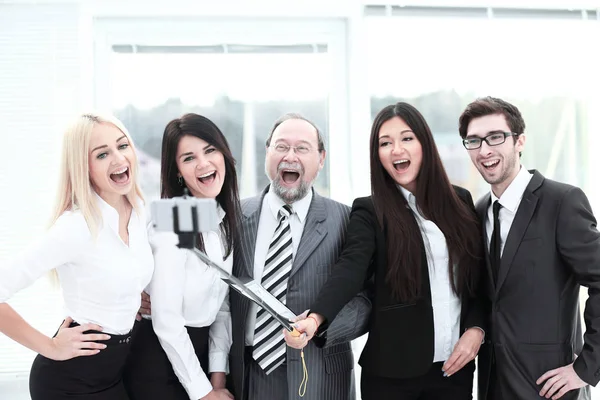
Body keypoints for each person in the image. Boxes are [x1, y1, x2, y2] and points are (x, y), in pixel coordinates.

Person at [289, 102, 486, 400]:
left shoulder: (460, 202)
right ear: (377, 155)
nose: (396, 150)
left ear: (425, 145)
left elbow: (478, 278)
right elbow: (350, 268)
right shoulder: (370, 211)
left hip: (453, 369)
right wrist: (316, 318)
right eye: (385, 143)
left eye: (407, 138)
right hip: (392, 376)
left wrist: (476, 329)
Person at [0, 113, 153, 399]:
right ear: (83, 167)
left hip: (115, 372)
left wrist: (134, 295)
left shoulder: (139, 211)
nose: (119, 159)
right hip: (69, 382)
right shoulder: (75, 226)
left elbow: (117, 272)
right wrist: (50, 346)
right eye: (102, 154)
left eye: (122, 146)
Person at [459, 96, 598, 400]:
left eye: (495, 137)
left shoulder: (562, 202)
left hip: (549, 388)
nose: (485, 150)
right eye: (474, 141)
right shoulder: (478, 210)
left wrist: (586, 368)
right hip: (493, 386)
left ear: (519, 141)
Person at [228, 113, 371, 400]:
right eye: (281, 146)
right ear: (267, 152)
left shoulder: (347, 219)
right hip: (252, 377)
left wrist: (319, 329)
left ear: (321, 159)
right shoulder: (233, 216)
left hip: (322, 376)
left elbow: (366, 301)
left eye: (302, 148)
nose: (290, 156)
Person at [124, 113, 239, 400]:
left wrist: (217, 378)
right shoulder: (173, 219)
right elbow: (166, 320)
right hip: (158, 362)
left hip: (197, 359)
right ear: (177, 171)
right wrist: (203, 392)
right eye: (188, 158)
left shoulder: (223, 219)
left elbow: (222, 308)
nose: (203, 163)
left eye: (210, 150)